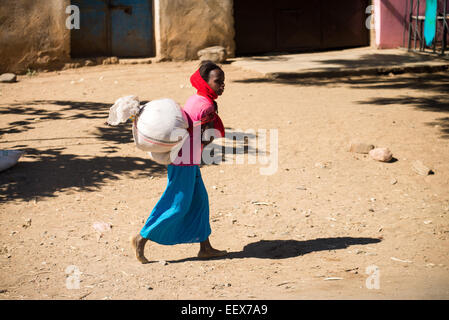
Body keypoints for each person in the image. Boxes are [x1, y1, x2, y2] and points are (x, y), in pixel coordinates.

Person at [131, 60, 227, 264]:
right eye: (218, 81)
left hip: (185, 158)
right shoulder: (207, 106)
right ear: (205, 82)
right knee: (178, 205)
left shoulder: (197, 98)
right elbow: (205, 136)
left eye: (223, 81)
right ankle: (142, 237)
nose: (222, 85)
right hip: (184, 161)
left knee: (200, 201)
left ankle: (205, 247)